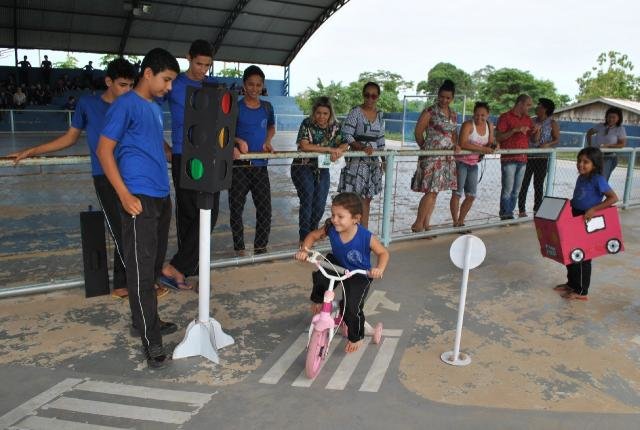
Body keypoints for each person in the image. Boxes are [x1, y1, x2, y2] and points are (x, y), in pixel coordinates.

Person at [8, 58, 139, 301]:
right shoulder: (88, 104)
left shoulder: (133, 105)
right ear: (109, 81)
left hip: (133, 175)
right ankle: (129, 283)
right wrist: (32, 150)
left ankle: (130, 281)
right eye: (123, 84)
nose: (128, 90)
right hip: (104, 176)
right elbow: (69, 139)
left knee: (133, 228)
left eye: (131, 85)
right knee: (120, 229)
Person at [96, 48, 180, 369]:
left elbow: (153, 144)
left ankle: (144, 321)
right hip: (138, 196)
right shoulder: (125, 104)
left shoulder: (154, 108)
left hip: (160, 195)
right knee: (141, 270)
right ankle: (152, 341)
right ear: (148, 74)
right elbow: (105, 150)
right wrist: (124, 195)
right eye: (166, 80)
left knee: (153, 264)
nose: (169, 87)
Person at [294, 192, 389, 353]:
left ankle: (356, 336)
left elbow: (383, 253)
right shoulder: (331, 228)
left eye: (340, 216)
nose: (334, 219)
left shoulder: (366, 237)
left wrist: (378, 269)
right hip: (337, 263)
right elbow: (313, 235)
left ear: (355, 219)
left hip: (359, 273)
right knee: (320, 277)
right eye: (333, 215)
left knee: (351, 307)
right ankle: (318, 301)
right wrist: (305, 250)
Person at [160, 39, 220, 290]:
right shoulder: (175, 84)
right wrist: (165, 146)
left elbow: (221, 121)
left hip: (209, 157)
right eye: (198, 63)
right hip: (183, 156)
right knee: (187, 214)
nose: (202, 70)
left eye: (207, 65)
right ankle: (184, 272)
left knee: (210, 212)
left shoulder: (212, 85)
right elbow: (150, 111)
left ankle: (177, 267)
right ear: (188, 58)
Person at [553, 147, 618, 301]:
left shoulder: (598, 179)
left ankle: (582, 291)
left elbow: (613, 198)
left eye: (585, 162)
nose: (580, 165)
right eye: (579, 161)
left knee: (583, 255)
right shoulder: (581, 177)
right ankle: (572, 283)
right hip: (575, 216)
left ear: (594, 164)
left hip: (586, 219)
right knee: (571, 251)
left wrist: (594, 209)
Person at [229, 65, 275, 256]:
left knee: (265, 209)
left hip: (260, 166)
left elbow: (271, 127)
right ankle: (239, 248)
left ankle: (260, 247)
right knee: (236, 209)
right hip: (239, 166)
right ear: (244, 85)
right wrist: (237, 141)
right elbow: (225, 132)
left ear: (262, 86)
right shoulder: (235, 107)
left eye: (258, 85)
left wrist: (267, 141)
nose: (254, 88)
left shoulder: (267, 107)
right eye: (251, 84)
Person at [291, 96, 347, 245]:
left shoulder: (335, 126)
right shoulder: (307, 123)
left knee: (320, 203)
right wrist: (329, 148)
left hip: (322, 168)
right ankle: (304, 238)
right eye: (318, 113)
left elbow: (345, 143)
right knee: (307, 200)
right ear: (314, 112)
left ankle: (312, 234)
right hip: (302, 167)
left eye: (325, 113)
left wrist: (338, 151)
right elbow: (304, 145)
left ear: (330, 114)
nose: (321, 116)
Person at [410, 79, 458, 233]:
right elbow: (418, 132)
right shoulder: (429, 111)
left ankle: (426, 224)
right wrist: (426, 150)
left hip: (446, 158)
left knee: (435, 192)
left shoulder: (454, 114)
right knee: (430, 191)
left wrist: (455, 145)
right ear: (438, 95)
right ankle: (418, 224)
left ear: (452, 98)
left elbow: (453, 133)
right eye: (442, 96)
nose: (444, 100)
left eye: (448, 98)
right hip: (431, 156)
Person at [337, 82, 385, 228]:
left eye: (374, 95)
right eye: (367, 95)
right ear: (363, 95)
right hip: (356, 162)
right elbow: (346, 135)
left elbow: (381, 139)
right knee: (354, 199)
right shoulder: (355, 112)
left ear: (378, 97)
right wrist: (362, 147)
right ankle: (350, 231)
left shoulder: (380, 115)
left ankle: (363, 232)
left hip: (372, 162)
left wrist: (384, 160)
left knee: (367, 199)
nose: (370, 98)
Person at [450, 101, 495, 230]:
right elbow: (463, 143)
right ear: (473, 114)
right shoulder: (468, 125)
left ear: (488, 115)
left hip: (474, 164)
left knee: (471, 195)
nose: (479, 118)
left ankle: (461, 221)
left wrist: (493, 146)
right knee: (457, 194)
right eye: (477, 115)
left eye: (483, 115)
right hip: (461, 163)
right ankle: (455, 222)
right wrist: (482, 150)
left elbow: (490, 142)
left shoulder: (489, 126)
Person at [517, 98, 560, 216]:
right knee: (524, 183)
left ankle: (537, 209)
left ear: (545, 109)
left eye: (539, 106)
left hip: (542, 157)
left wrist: (547, 144)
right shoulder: (532, 121)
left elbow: (556, 139)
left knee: (538, 184)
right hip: (529, 156)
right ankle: (521, 210)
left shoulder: (552, 123)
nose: (536, 107)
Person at [496, 94, 533, 220]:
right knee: (507, 189)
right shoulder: (505, 117)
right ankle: (505, 214)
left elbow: (533, 138)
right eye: (528, 105)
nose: (529, 108)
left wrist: (536, 132)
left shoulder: (528, 119)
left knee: (516, 190)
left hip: (523, 159)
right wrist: (514, 130)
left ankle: (509, 213)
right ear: (520, 103)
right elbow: (498, 137)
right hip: (509, 158)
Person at [586, 106, 627, 181]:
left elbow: (622, 144)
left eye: (614, 117)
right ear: (606, 117)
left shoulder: (620, 129)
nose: (611, 119)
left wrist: (608, 146)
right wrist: (590, 146)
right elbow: (589, 133)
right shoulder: (600, 126)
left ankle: (601, 192)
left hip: (609, 156)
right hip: (596, 155)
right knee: (591, 176)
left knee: (603, 178)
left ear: (618, 118)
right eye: (609, 117)